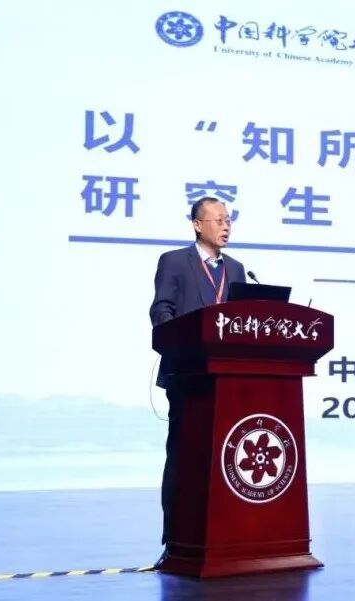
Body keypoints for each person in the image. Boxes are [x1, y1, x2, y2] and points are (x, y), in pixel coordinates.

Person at [149, 197, 246, 555]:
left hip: (228, 379)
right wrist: (182, 341)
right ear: (196, 224)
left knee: (226, 459)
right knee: (185, 457)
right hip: (187, 375)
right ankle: (175, 539)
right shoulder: (174, 261)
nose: (226, 226)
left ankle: (226, 537)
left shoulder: (236, 268)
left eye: (228, 220)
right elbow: (161, 310)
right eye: (218, 220)